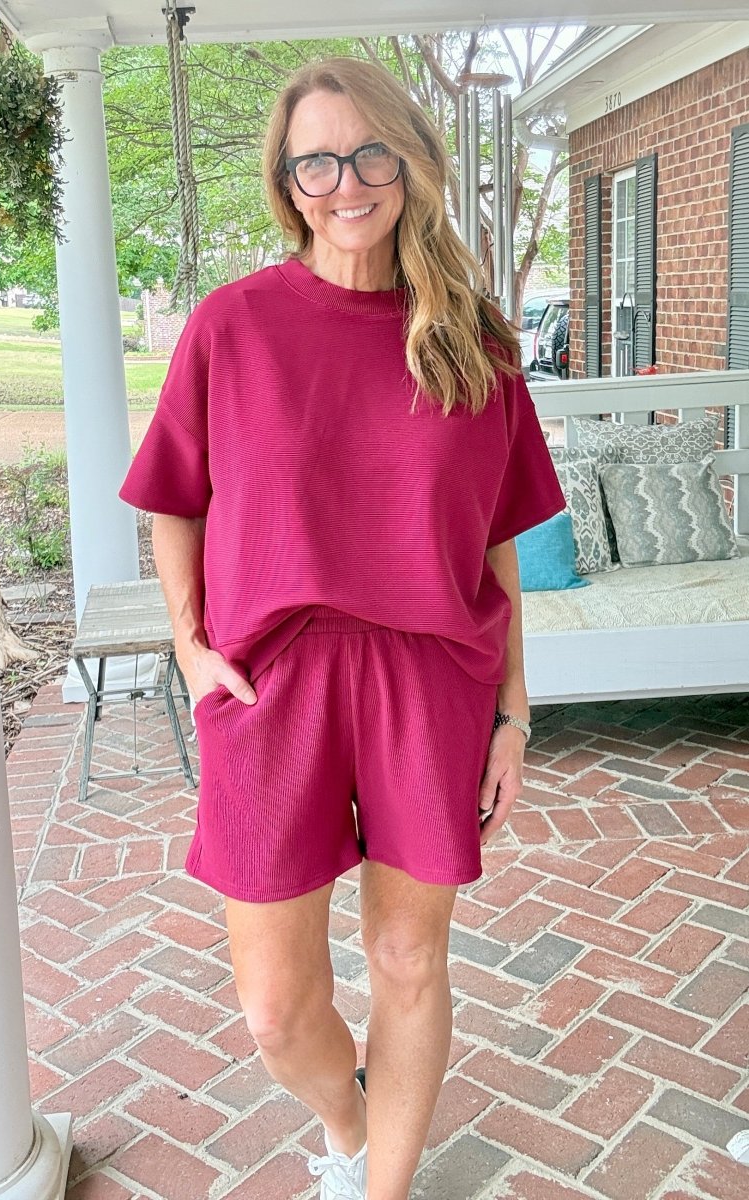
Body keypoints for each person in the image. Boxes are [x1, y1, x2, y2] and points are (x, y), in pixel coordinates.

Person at [120, 56, 564, 1200]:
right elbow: (173, 500)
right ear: (286, 182)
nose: (346, 182)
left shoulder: (470, 337)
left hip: (429, 677)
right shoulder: (231, 327)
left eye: (369, 152)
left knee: (407, 958)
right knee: (275, 1009)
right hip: (271, 683)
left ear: (408, 160)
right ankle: (349, 1124)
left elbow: (495, 544)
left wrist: (513, 713)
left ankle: (381, 1190)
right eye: (315, 161)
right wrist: (190, 648)